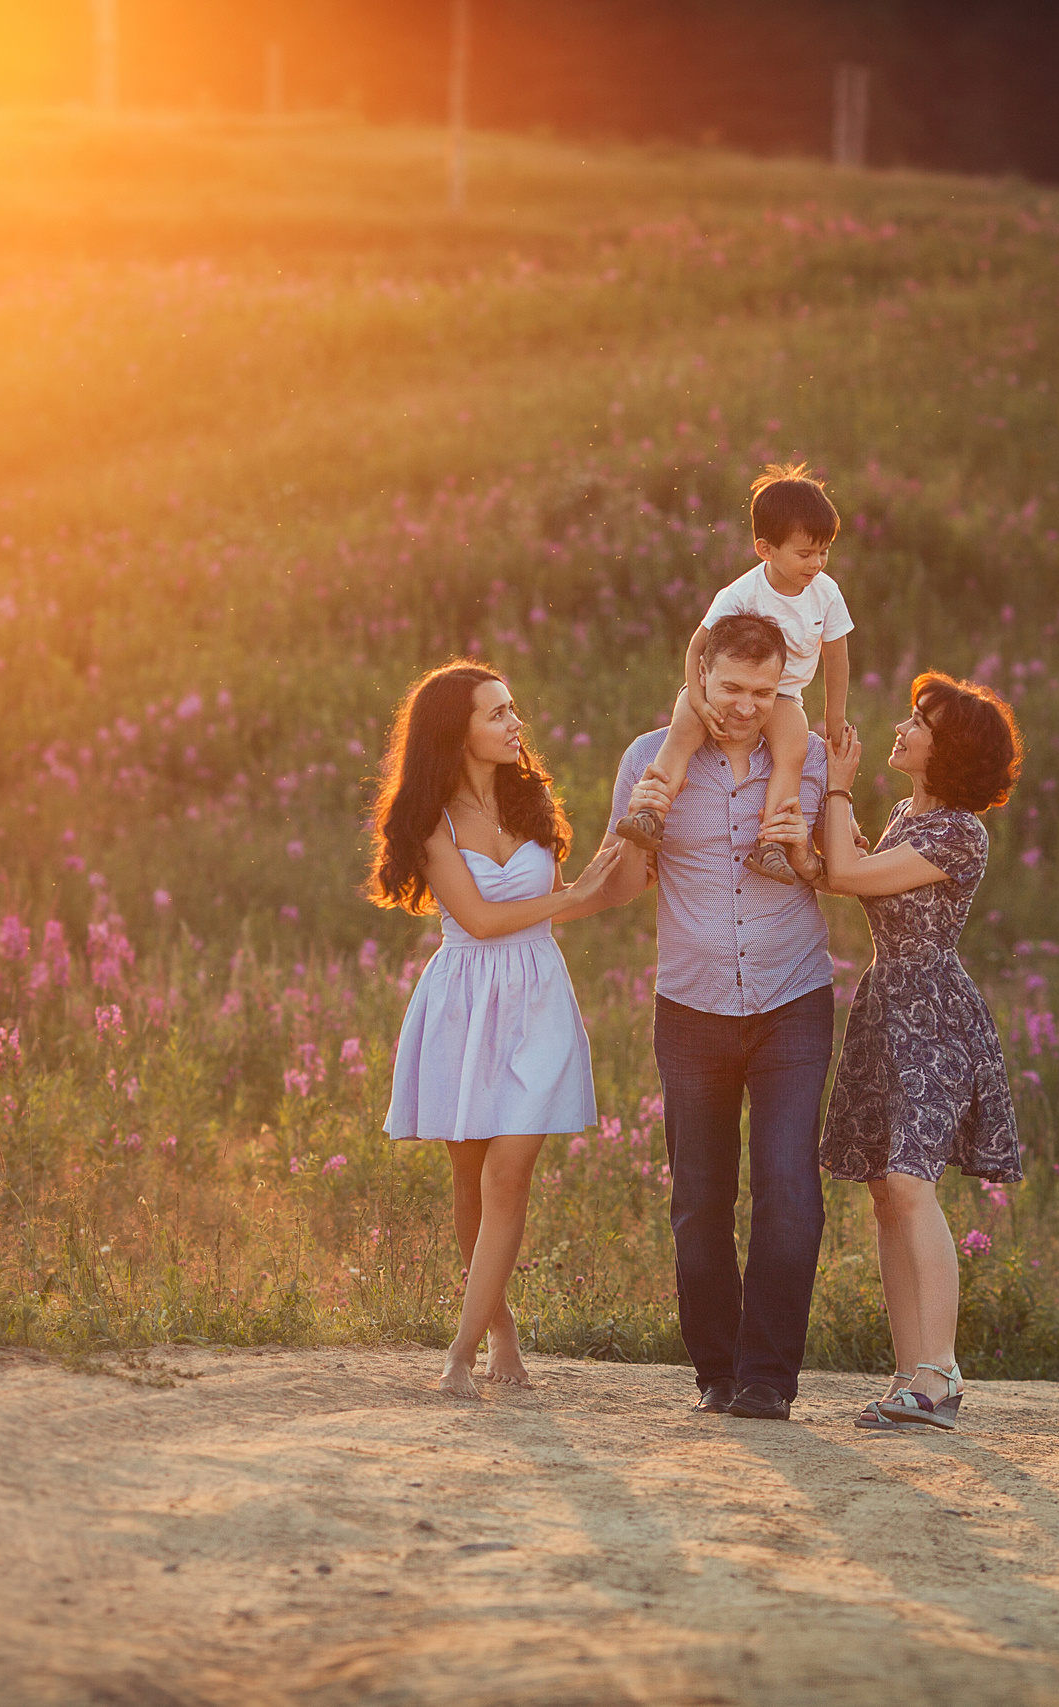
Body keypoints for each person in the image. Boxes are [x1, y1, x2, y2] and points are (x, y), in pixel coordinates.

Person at [370, 660, 639, 1399]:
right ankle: (499, 1325)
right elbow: (483, 920)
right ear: (457, 730)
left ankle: (459, 1350)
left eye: (512, 709)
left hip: (537, 997)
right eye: (497, 713)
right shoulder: (433, 822)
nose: (514, 723)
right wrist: (574, 893)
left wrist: (623, 862)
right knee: (469, 1178)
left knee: (507, 1170)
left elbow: (569, 905)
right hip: (464, 1000)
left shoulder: (530, 803)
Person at [608, 613, 836, 1420]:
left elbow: (837, 866)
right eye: (731, 687)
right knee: (700, 1196)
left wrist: (811, 849)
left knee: (788, 1187)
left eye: (762, 691)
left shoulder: (804, 762)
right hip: (692, 1005)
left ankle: (768, 1377)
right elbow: (627, 878)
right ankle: (715, 1368)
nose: (745, 706)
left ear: (782, 688)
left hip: (793, 1000)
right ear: (700, 674)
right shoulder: (648, 759)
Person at [783, 672, 1024, 1433]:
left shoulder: (958, 832)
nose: (902, 727)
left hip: (934, 1015)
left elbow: (852, 874)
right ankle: (911, 1372)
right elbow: (837, 877)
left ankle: (941, 1374)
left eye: (919, 722)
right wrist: (797, 847)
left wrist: (836, 790)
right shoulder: (901, 816)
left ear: (945, 750)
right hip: (887, 1006)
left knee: (911, 1184)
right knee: (886, 1190)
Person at [614, 464, 853, 886]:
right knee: (683, 730)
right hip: (717, 686)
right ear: (765, 549)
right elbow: (696, 648)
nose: (816, 563)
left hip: (781, 695)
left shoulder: (826, 593)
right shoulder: (740, 593)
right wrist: (699, 697)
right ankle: (652, 812)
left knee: (793, 749)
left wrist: (835, 718)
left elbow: (836, 658)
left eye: (824, 552)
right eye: (804, 554)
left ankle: (772, 843)